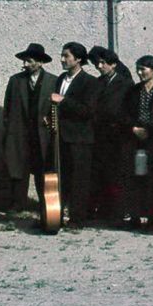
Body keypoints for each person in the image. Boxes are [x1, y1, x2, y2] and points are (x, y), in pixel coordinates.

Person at [3, 43, 57, 216]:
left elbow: (56, 109)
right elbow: (8, 108)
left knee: (43, 171)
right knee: (18, 170)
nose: (25, 64)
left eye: (29, 61)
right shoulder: (15, 81)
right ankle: (17, 204)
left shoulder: (53, 81)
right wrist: (10, 130)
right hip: (20, 135)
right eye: (24, 61)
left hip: (42, 135)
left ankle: (45, 205)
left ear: (40, 63)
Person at [51, 42, 99, 229]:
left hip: (80, 138)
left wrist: (63, 101)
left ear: (78, 59)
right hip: (61, 137)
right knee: (63, 177)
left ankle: (78, 218)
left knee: (79, 179)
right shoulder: (61, 78)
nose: (62, 60)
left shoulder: (89, 82)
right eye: (62, 56)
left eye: (66, 56)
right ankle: (58, 214)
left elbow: (88, 110)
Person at [123, 55, 153, 229]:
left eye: (143, 69)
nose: (139, 72)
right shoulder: (133, 91)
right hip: (136, 139)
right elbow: (125, 113)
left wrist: (150, 131)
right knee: (138, 175)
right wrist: (134, 129)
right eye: (138, 69)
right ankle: (137, 215)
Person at [91, 49, 134, 221]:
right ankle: (104, 209)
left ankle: (119, 210)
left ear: (114, 64)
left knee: (117, 174)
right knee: (102, 173)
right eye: (98, 63)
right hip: (100, 134)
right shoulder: (98, 82)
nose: (99, 66)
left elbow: (126, 109)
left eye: (103, 63)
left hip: (117, 135)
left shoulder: (125, 84)